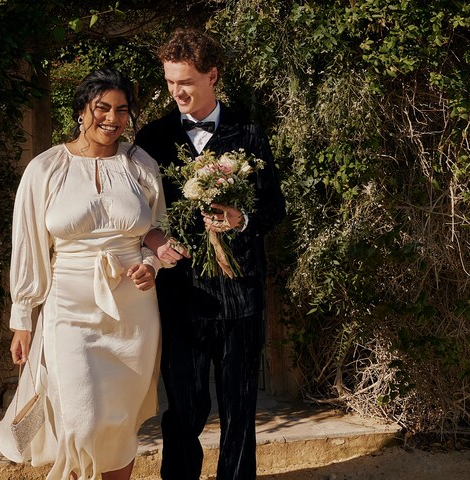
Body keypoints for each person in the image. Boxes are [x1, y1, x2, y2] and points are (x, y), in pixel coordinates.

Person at [0, 68, 165, 480]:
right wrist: (23, 319)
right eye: (101, 108)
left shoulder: (140, 164)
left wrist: (152, 264)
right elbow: (29, 246)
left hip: (133, 312)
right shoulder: (46, 168)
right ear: (80, 111)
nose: (112, 118)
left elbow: (160, 230)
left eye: (122, 110)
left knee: (118, 422)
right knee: (81, 421)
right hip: (68, 307)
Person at [136, 29, 286, 480]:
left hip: (241, 296)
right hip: (181, 295)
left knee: (240, 407)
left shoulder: (249, 132)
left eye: (185, 82)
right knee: (184, 406)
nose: (176, 92)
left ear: (212, 76)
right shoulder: (154, 137)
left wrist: (241, 219)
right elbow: (136, 214)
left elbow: (274, 206)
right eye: (169, 82)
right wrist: (154, 242)